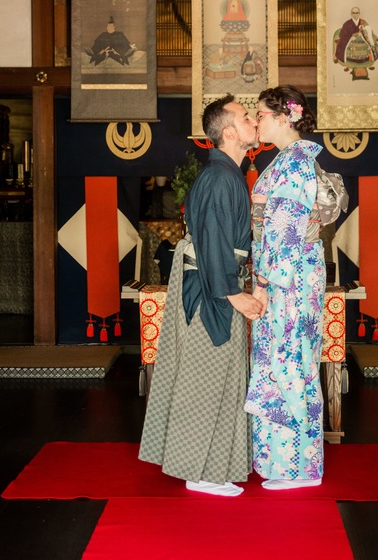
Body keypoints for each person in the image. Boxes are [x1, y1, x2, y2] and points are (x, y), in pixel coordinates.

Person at [138, 94, 265, 497]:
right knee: (204, 376)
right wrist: (233, 294)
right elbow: (212, 241)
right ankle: (199, 472)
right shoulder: (219, 178)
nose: (253, 123)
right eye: (247, 118)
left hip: (215, 279)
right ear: (229, 132)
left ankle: (213, 468)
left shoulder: (228, 175)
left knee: (220, 375)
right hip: (210, 287)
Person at [244, 85, 327, 490]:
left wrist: (263, 282)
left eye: (260, 113)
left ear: (282, 117)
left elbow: (284, 232)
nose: (256, 120)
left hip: (288, 278)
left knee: (290, 361)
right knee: (284, 359)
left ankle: (298, 467)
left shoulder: (293, 164)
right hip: (289, 274)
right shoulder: (286, 161)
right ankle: (282, 462)